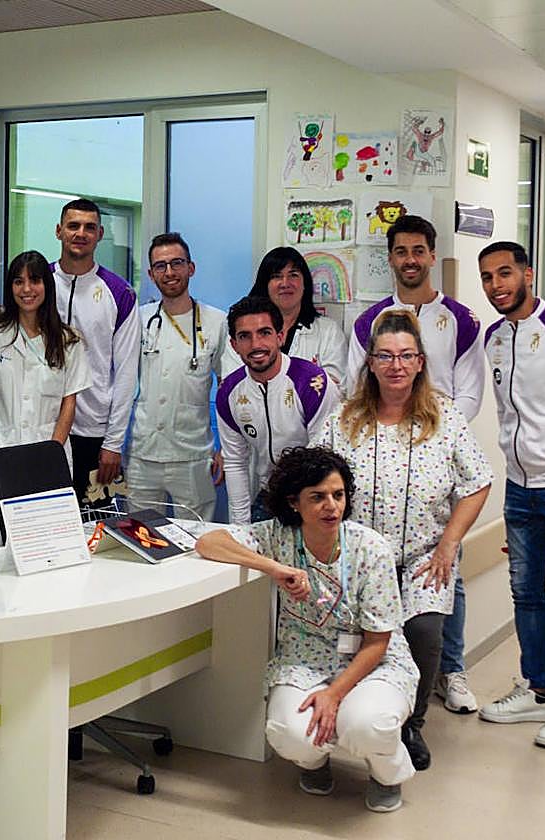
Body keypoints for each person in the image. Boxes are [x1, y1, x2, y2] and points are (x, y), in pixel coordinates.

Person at [195, 446, 419, 813]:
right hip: (305, 659)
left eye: (338, 495)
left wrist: (334, 695)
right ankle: (314, 763)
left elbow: (379, 641)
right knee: (288, 734)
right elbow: (209, 542)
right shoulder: (278, 536)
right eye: (317, 497)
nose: (331, 506)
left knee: (365, 725)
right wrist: (271, 567)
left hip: (372, 661)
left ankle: (387, 773)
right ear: (294, 503)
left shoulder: (370, 548)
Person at [314, 309, 490, 770]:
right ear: (370, 362)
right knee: (353, 641)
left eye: (406, 356)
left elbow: (477, 483)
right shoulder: (344, 420)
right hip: (357, 559)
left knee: (424, 632)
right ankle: (344, 715)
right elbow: (316, 479)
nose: (396, 365)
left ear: (419, 363)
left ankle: (410, 724)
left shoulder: (445, 419)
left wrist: (449, 544)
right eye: (386, 356)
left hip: (422, 558)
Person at [347, 214, 485, 715]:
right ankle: (381, 690)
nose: (410, 260)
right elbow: (352, 383)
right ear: (391, 259)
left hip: (436, 451)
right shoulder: (369, 322)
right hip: (384, 453)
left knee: (445, 568)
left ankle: (452, 671)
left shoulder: (461, 319)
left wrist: (433, 435)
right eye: (401, 251)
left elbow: (470, 389)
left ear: (431, 256)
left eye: (418, 251)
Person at [477, 240, 545, 747]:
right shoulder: (493, 338)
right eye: (487, 277)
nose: (496, 285)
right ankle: (540, 691)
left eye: (505, 273)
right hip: (519, 489)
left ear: (527, 273)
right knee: (526, 595)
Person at [0, 251, 89, 547]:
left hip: (47, 452)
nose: (26, 289)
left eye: (34, 280)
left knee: (45, 549)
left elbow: (68, 404)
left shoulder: (68, 341)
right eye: (18, 282)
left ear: (47, 285)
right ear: (10, 288)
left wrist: (50, 455)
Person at [128, 233, 227, 521]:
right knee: (143, 539)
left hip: (193, 455)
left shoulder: (216, 321)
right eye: (160, 266)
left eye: (176, 263)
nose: (169, 272)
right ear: (151, 274)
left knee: (196, 543)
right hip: (143, 452)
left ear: (191, 268)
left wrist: (224, 449)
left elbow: (228, 389)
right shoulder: (138, 319)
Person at [217, 296, 338, 524]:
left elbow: (322, 459)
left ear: (280, 336)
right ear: (234, 345)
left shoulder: (313, 384)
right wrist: (241, 528)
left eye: (264, 333)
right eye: (245, 336)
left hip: (316, 496)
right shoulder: (228, 392)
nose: (256, 345)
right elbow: (234, 461)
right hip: (269, 494)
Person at [50, 198, 139, 506]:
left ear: (100, 234)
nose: (81, 233)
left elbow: (127, 372)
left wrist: (114, 442)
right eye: (73, 226)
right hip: (42, 426)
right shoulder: (37, 285)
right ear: (59, 231)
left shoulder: (120, 293)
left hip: (94, 432)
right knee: (47, 525)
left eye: (90, 227)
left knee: (96, 530)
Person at [237, 246, 348, 392]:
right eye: (276, 276)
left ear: (305, 284)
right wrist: (306, 381)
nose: (285, 283)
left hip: (312, 415)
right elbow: (236, 384)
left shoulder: (328, 331)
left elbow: (334, 388)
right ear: (265, 285)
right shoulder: (242, 329)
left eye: (293, 275)